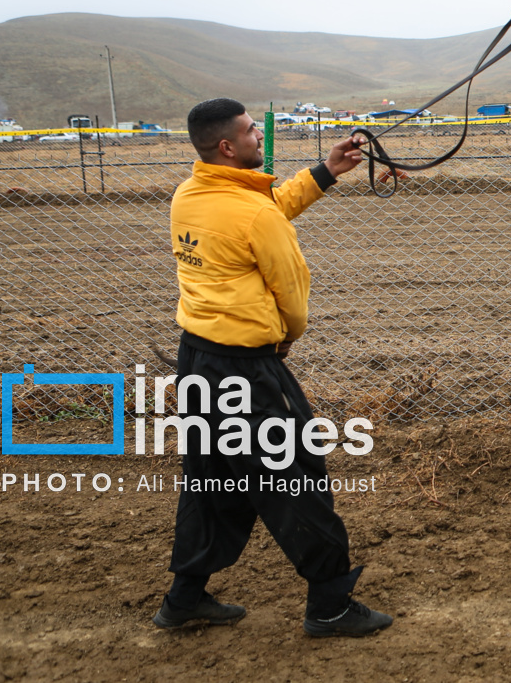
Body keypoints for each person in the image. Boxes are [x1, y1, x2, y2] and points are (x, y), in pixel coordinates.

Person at [153, 98, 392, 638]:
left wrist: (327, 171)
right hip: (247, 372)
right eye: (250, 132)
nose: (259, 136)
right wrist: (284, 340)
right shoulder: (254, 213)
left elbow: (266, 208)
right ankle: (330, 605)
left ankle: (183, 598)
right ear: (227, 146)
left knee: (211, 480)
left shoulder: (190, 194)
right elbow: (293, 298)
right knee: (297, 480)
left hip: (197, 361)